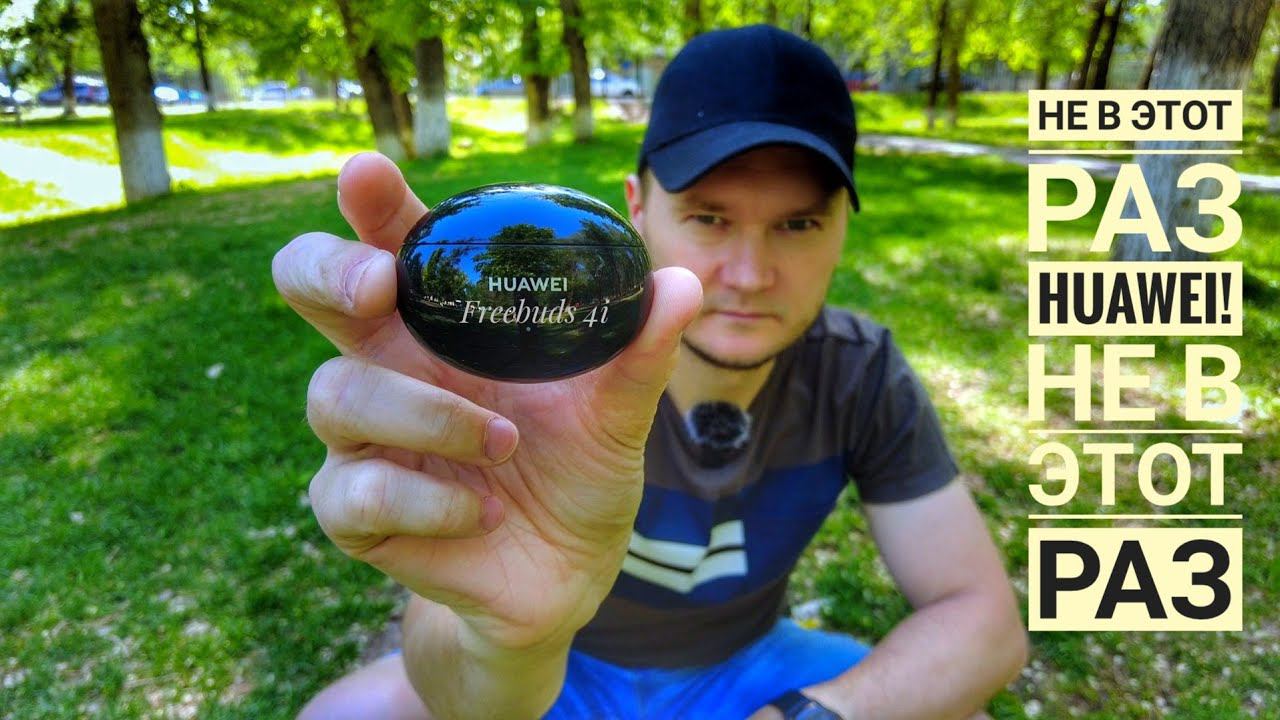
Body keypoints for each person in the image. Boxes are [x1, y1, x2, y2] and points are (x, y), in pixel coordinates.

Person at [276, 24, 1027, 720]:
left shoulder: (859, 373)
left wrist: (801, 717)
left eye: (797, 223)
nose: (750, 274)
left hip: (750, 667)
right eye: (709, 217)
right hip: (560, 666)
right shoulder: (527, 368)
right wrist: (515, 639)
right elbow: (454, 676)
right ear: (637, 208)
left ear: (841, 230)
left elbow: (985, 624)